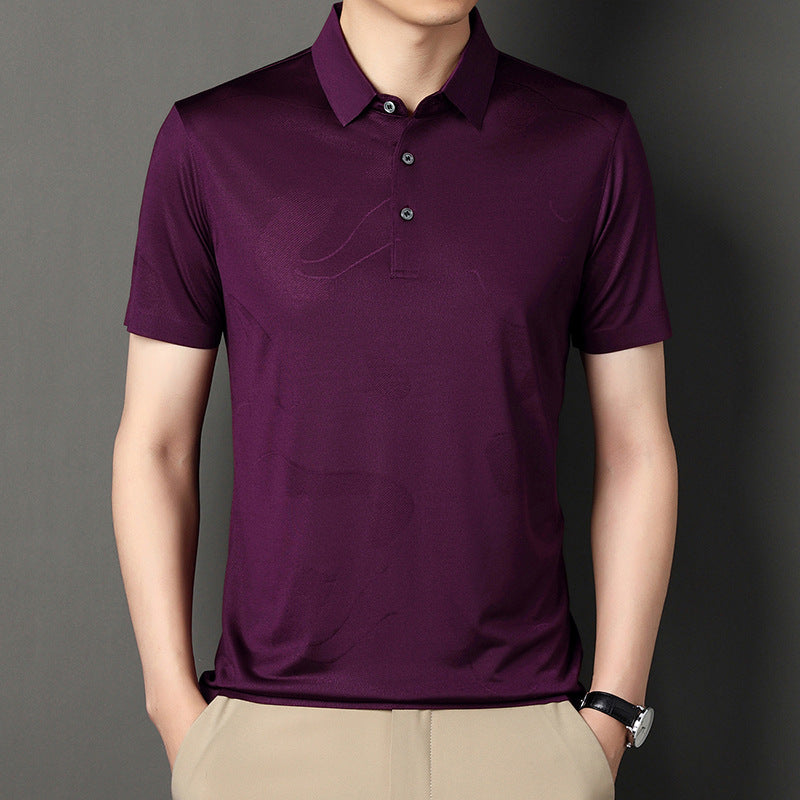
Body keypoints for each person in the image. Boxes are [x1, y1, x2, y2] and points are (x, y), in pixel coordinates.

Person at [111, 1, 678, 798]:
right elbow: (157, 445)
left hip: (525, 738)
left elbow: (636, 446)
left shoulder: (589, 141)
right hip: (270, 737)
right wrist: (176, 711)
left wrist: (611, 714)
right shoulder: (211, 140)